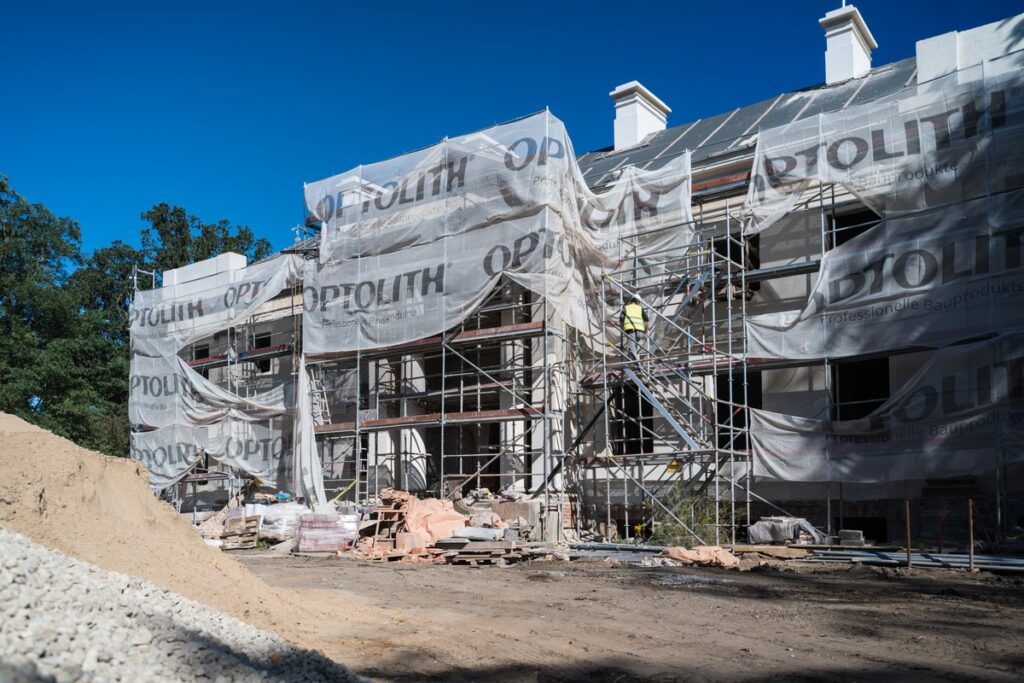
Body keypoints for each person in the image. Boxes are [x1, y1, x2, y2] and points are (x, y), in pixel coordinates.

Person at [619, 295, 649, 360]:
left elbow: (621, 320)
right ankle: (632, 359)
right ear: (637, 301)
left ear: (631, 300)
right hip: (640, 332)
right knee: (634, 347)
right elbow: (646, 321)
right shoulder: (640, 308)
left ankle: (633, 362)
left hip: (631, 330)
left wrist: (623, 329)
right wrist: (645, 330)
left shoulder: (626, 308)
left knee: (631, 348)